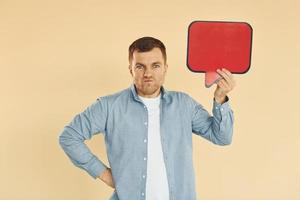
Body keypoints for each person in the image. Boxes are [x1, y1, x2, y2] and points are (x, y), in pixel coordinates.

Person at [59, 36, 235, 200]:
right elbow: (69, 136)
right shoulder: (108, 106)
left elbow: (222, 137)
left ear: (165, 68)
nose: (147, 73)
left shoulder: (184, 104)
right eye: (140, 66)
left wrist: (220, 98)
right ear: (131, 69)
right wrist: (104, 174)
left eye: (155, 65)